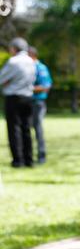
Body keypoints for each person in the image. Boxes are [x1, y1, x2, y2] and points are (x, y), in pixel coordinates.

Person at [0, 37, 36, 167]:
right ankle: (29, 159)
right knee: (26, 128)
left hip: (14, 98)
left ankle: (18, 160)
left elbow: (2, 78)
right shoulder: (31, 61)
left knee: (14, 128)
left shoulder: (13, 61)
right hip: (28, 97)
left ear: (14, 48)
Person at [28, 46, 52, 164]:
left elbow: (45, 87)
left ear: (32, 55)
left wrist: (28, 88)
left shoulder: (40, 68)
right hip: (27, 102)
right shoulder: (28, 68)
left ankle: (41, 156)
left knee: (37, 129)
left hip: (38, 103)